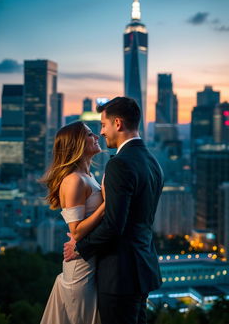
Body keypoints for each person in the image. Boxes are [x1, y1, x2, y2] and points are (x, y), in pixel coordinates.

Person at [64, 97, 164, 324]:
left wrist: (80, 247)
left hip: (119, 274)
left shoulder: (120, 163)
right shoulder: (152, 161)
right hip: (142, 267)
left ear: (117, 124)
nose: (102, 132)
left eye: (103, 125)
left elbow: (113, 224)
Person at [40, 121, 105, 324]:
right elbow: (76, 232)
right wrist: (108, 205)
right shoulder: (74, 180)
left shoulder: (88, 177)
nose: (96, 136)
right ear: (76, 144)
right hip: (81, 271)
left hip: (90, 261)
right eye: (89, 134)